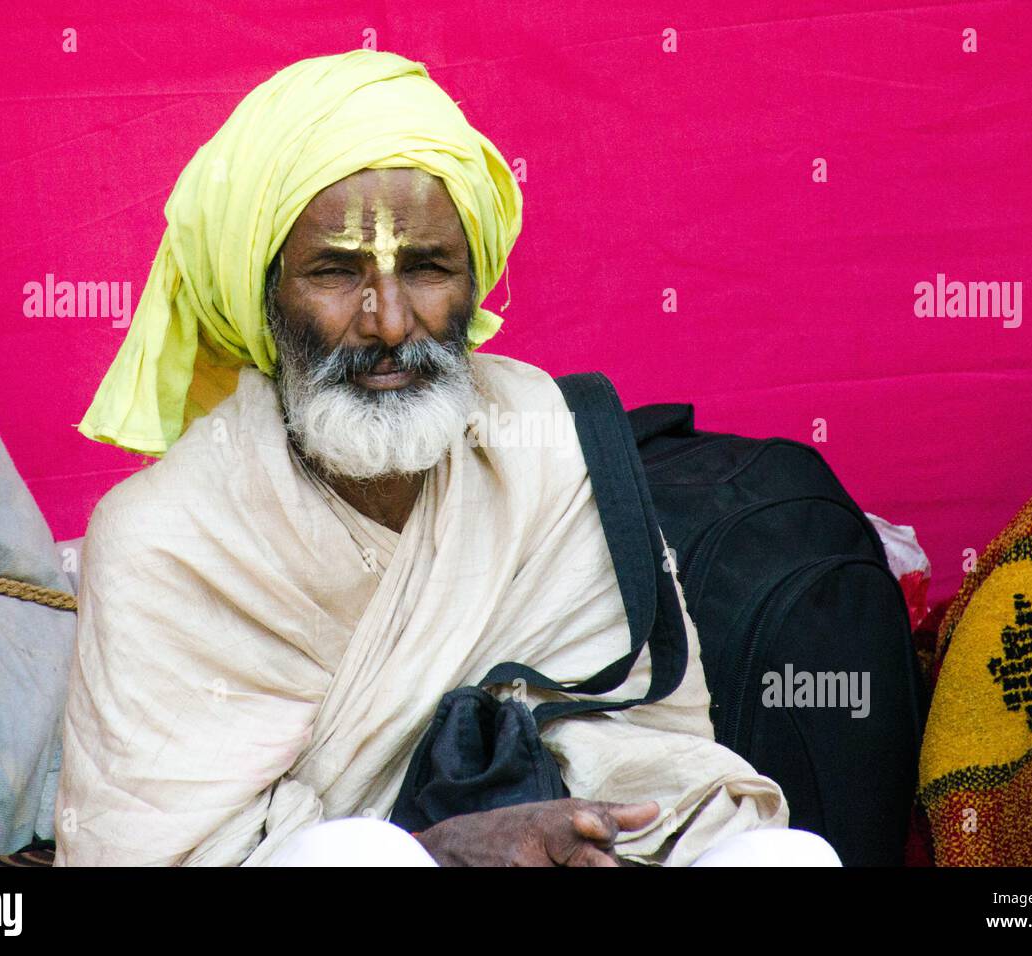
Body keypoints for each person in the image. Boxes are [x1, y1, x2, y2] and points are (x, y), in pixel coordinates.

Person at [54, 49, 840, 868]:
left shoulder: (547, 436)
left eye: (425, 268)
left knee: (790, 859)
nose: (390, 322)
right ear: (262, 293)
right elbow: (156, 849)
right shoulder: (163, 537)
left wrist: (575, 823)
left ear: (473, 279)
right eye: (335, 272)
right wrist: (433, 850)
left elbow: (647, 730)